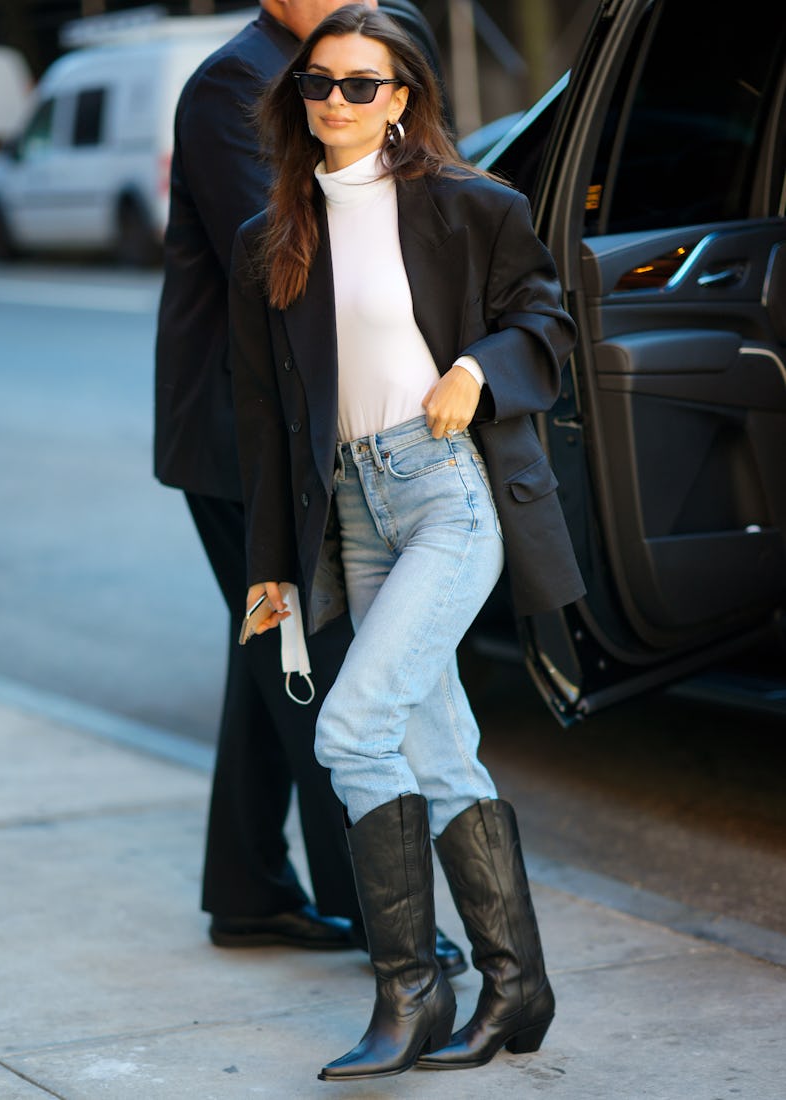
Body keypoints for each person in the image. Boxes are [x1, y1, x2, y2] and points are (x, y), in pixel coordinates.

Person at [228, 4, 585, 1081]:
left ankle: (411, 991)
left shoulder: (468, 205)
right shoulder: (272, 237)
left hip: (446, 496)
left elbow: (546, 320)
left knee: (354, 730)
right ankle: (514, 982)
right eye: (318, 83)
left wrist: (477, 369)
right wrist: (271, 572)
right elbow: (263, 422)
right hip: (353, 512)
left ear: (403, 97)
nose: (335, 102)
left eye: (360, 84)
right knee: (437, 750)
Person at [154, 0, 465, 971]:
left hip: (302, 430)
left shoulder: (341, 61)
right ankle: (388, 920)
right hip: (248, 441)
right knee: (318, 671)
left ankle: (248, 891)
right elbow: (294, 256)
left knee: (273, 665)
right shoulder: (234, 86)